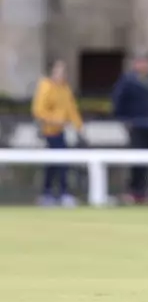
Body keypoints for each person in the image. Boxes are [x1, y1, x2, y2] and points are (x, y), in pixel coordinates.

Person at [31, 59, 84, 207]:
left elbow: (71, 109)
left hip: (60, 132)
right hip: (48, 132)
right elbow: (38, 111)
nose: (62, 74)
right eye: (58, 70)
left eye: (63, 71)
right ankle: (52, 193)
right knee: (55, 163)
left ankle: (58, 193)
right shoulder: (45, 86)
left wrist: (79, 126)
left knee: (60, 163)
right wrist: (54, 121)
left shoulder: (65, 88)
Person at [111, 53, 148, 204]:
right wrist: (125, 120)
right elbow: (117, 100)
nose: (144, 66)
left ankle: (143, 191)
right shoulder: (128, 81)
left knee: (147, 159)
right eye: (141, 62)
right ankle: (134, 191)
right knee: (136, 159)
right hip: (136, 124)